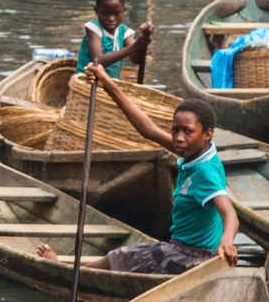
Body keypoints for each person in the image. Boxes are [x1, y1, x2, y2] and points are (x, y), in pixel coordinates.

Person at [37, 71, 239, 273]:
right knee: (122, 255)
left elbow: (229, 213)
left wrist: (227, 241)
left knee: (120, 256)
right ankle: (72, 270)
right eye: (175, 130)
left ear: (207, 134)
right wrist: (108, 85)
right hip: (181, 249)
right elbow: (148, 128)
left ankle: (67, 272)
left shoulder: (205, 171)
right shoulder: (192, 153)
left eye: (187, 131)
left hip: (192, 258)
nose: (179, 137)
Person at [77, 0, 153, 79]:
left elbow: (135, 59)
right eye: (105, 13)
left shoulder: (123, 32)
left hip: (110, 84)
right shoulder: (93, 29)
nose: (111, 19)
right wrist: (134, 47)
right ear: (96, 11)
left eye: (116, 13)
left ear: (124, 10)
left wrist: (144, 39)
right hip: (87, 82)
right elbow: (98, 61)